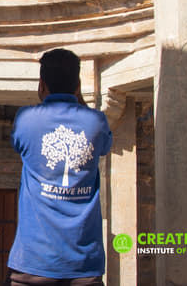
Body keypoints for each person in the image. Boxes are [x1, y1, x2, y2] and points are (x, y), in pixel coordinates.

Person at [6, 48, 112, 286]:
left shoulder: (26, 119)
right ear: (78, 84)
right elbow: (104, 146)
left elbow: (18, 144)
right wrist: (78, 99)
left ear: (41, 84)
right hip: (84, 265)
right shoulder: (96, 121)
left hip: (34, 263)